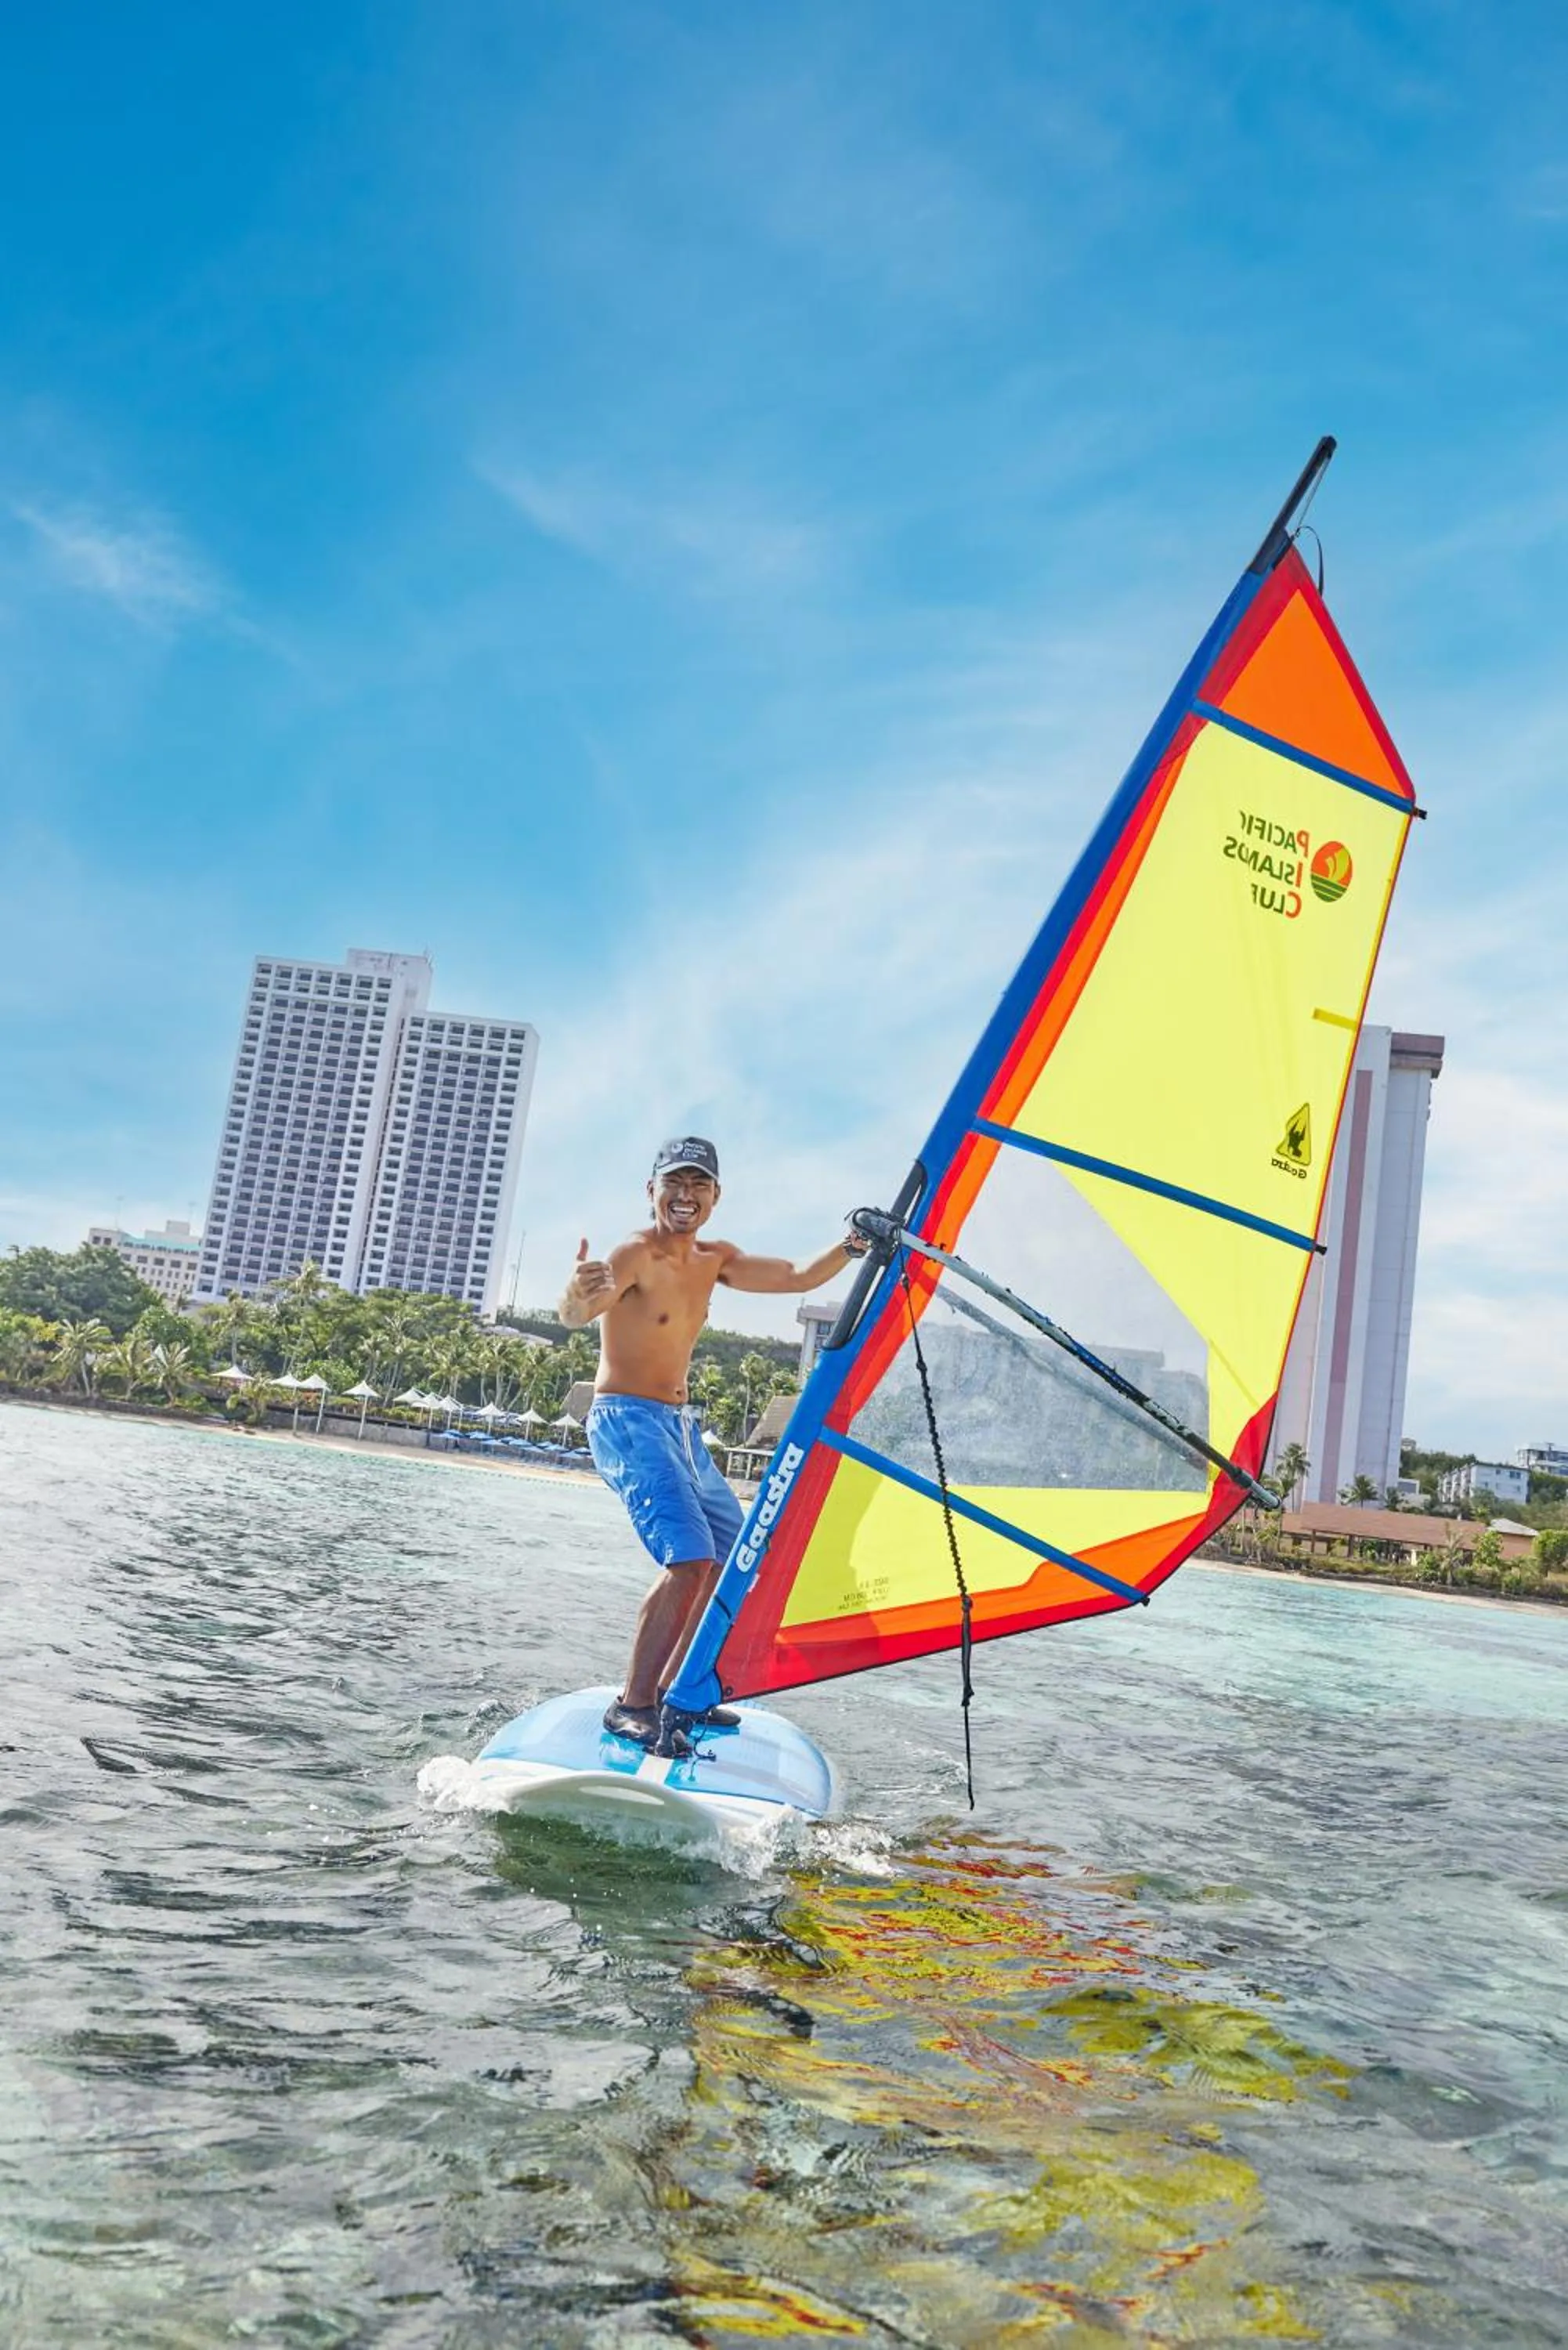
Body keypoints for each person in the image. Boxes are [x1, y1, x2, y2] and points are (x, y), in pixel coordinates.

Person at [559, 1137, 868, 1749]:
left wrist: (855, 1244)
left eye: (699, 1184)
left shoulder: (713, 1259)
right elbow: (577, 1314)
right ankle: (633, 1703)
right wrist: (576, 1290)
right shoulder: (634, 1255)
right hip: (629, 1420)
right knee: (689, 1559)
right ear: (652, 1191)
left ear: (715, 1197)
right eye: (674, 1182)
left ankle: (681, 1696)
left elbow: (798, 1276)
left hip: (679, 1426)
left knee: (732, 1560)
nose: (686, 1195)